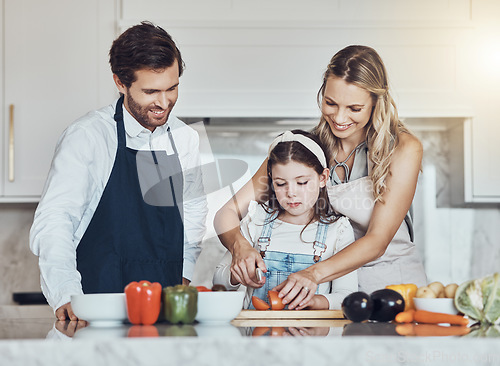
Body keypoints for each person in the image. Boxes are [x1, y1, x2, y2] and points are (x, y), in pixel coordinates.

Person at [214, 45, 427, 310]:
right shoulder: (306, 150)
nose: (339, 117)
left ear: (376, 102)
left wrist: (313, 274)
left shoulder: (403, 149)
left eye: (354, 108)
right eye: (330, 103)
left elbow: (377, 240)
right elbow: (226, 214)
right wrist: (240, 247)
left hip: (391, 287)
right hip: (326, 295)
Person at [30, 22, 208, 321]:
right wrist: (65, 294)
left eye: (172, 88)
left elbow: (193, 216)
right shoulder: (88, 136)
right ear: (120, 82)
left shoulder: (185, 140)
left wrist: (183, 277)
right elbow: (55, 220)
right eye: (151, 91)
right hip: (93, 310)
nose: (164, 103)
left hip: (162, 313)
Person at [213, 130, 357, 310]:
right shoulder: (256, 221)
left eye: (302, 182)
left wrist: (313, 301)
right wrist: (237, 274)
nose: (291, 192)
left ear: (323, 178)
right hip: (255, 336)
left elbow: (347, 297)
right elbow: (218, 280)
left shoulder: (339, 230)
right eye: (280, 184)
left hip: (310, 334)